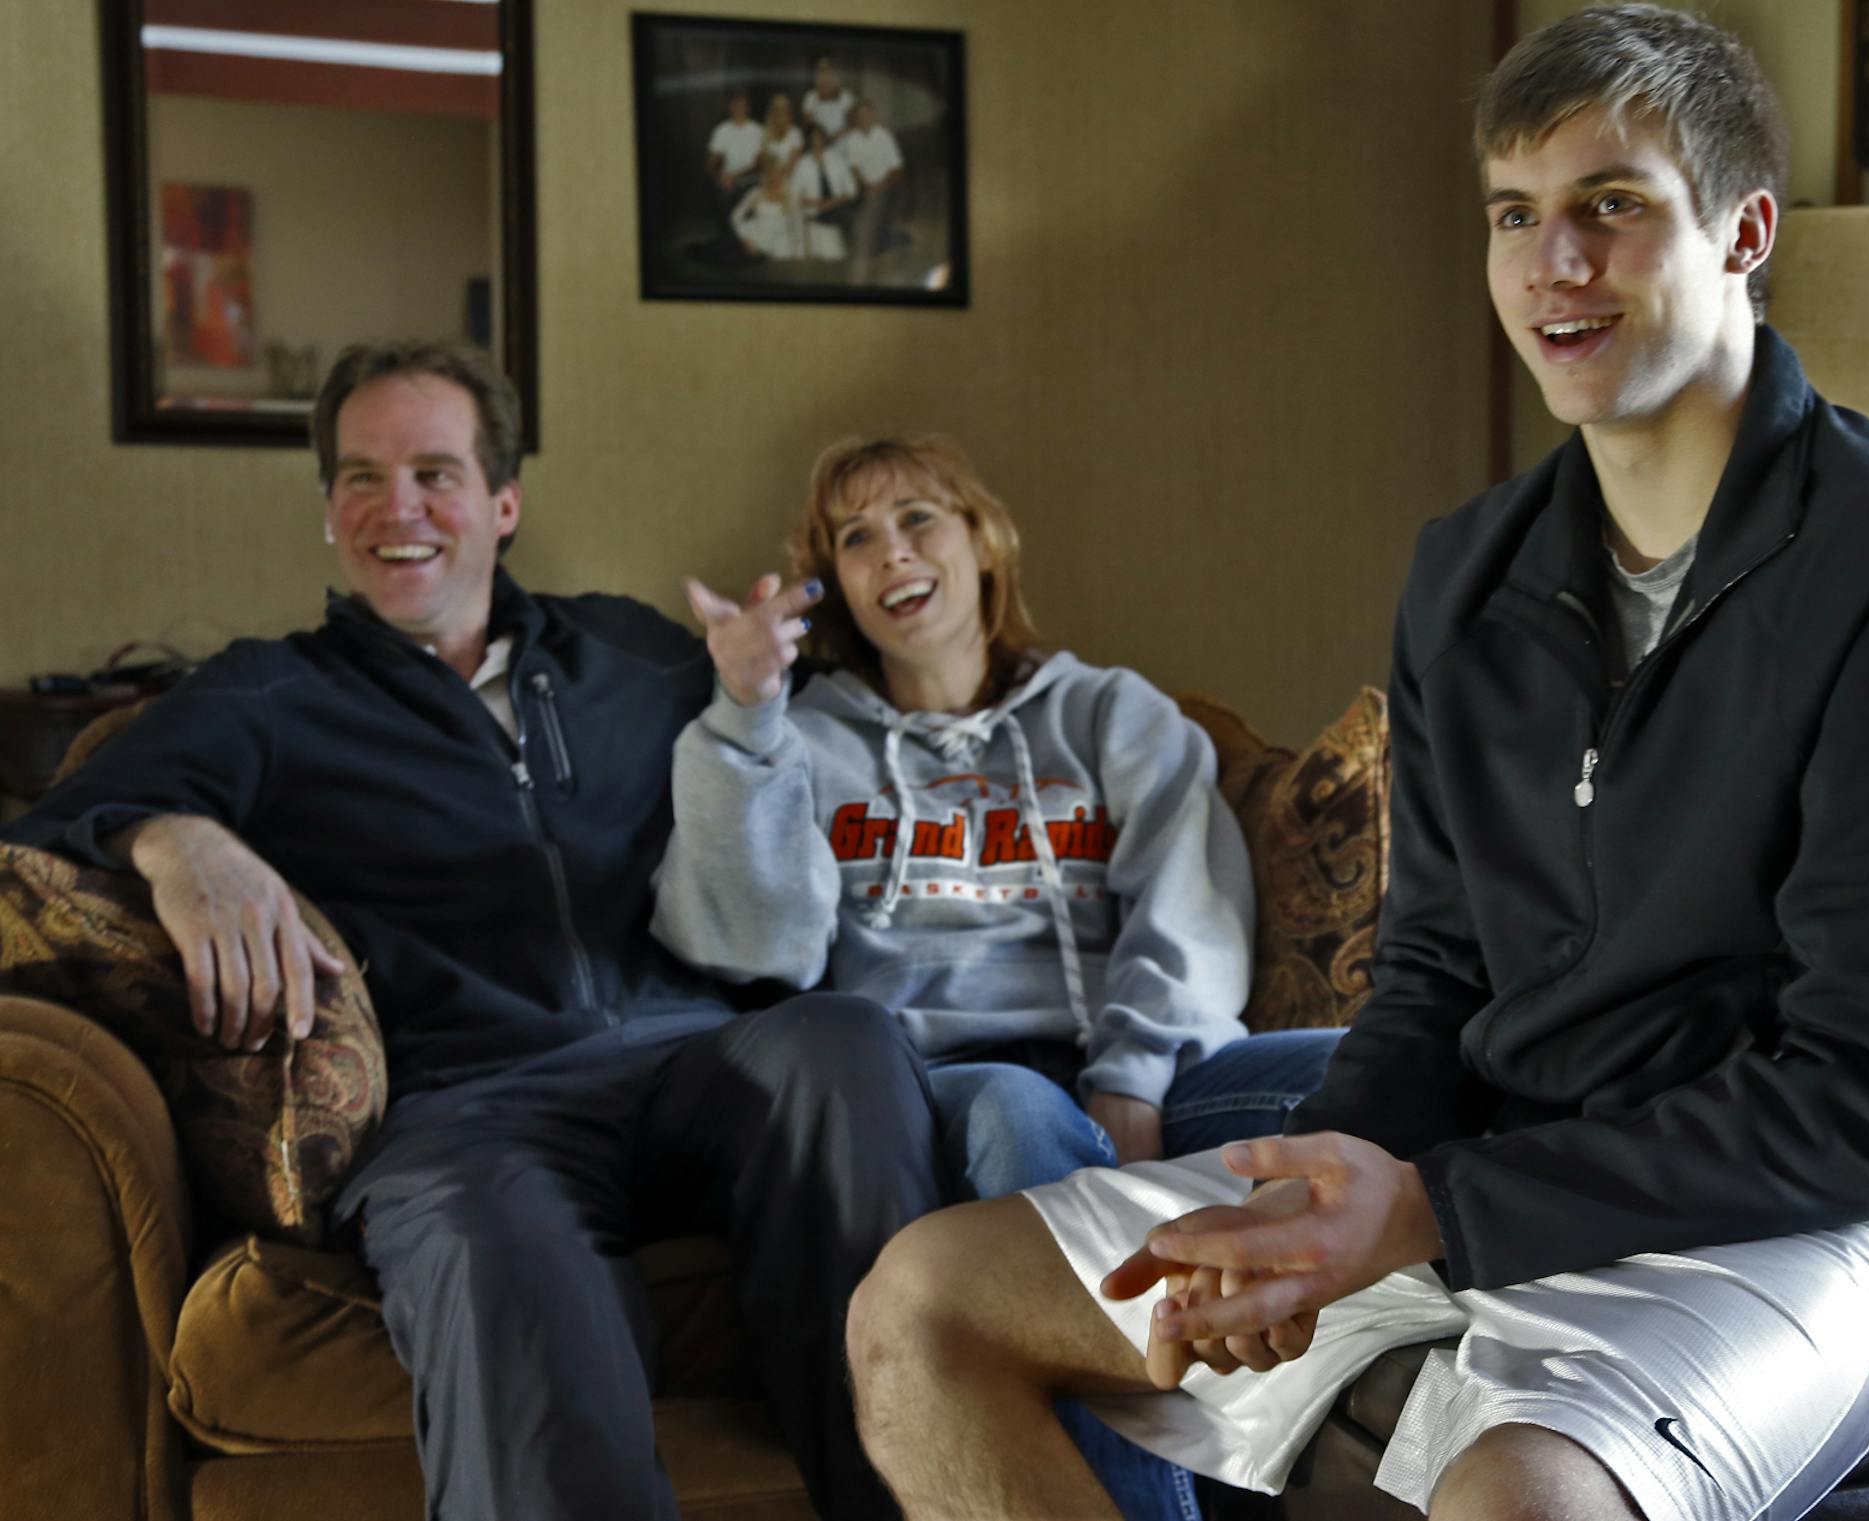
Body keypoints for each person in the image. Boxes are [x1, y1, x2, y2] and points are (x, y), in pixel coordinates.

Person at [844, 8, 1869, 1521]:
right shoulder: (1467, 570)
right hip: (1521, 1156)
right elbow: (1431, 974)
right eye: (1516, 216)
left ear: (1747, 230)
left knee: (1525, 1496)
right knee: (928, 1296)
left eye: (1611, 208)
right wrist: (1335, 1183)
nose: (1553, 264)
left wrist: (1429, 1207)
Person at [3, 340, 944, 1521]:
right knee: (491, 1248)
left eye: (436, 474)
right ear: (327, 512)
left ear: (503, 505)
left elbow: (838, 742)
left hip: (694, 1065)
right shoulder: (265, 694)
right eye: (361, 477)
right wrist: (182, 841)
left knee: (845, 1043)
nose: (398, 507)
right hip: (467, 1109)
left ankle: (911, 1494)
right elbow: (45, 835)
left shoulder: (632, 651)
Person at [650, 435, 1343, 1521]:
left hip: (1140, 1058)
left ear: (985, 541)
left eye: (920, 518)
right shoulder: (814, 739)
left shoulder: (1112, 715)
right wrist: (746, 712)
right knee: (1027, 1115)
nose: (893, 553)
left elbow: (1187, 913)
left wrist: (1134, 1079)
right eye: (856, 538)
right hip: (943, 1078)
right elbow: (753, 943)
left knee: (1355, 1070)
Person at [843, 98, 905, 276]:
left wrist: (879, 188)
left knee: (877, 212)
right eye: (860, 115)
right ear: (856, 118)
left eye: (867, 114)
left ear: (872, 115)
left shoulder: (884, 137)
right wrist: (865, 186)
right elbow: (854, 168)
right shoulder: (852, 139)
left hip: (886, 188)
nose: (864, 118)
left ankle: (886, 246)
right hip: (865, 189)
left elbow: (898, 171)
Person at [791, 121, 858, 261]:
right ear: (808, 141)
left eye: (819, 137)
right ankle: (856, 255)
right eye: (813, 138)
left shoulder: (837, 159)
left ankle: (859, 252)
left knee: (855, 212)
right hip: (817, 209)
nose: (817, 141)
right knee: (848, 217)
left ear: (824, 139)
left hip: (838, 204)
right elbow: (794, 193)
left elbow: (852, 189)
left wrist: (832, 202)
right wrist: (815, 202)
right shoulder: (803, 164)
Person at [732, 157, 803, 260]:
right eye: (772, 172)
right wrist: (745, 238)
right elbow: (735, 216)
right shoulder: (755, 193)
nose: (775, 176)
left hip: (782, 241)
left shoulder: (792, 195)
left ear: (783, 174)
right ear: (767, 174)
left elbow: (797, 221)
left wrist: (799, 248)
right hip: (757, 238)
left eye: (779, 172)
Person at [705, 88, 765, 209]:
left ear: (748, 108)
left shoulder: (758, 130)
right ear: (730, 107)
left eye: (742, 104)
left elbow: (759, 164)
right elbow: (710, 163)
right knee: (725, 194)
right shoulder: (721, 130)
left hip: (752, 179)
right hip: (729, 181)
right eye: (735, 104)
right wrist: (719, 178)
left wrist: (735, 176)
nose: (739, 108)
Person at [801, 56, 855, 141]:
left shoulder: (846, 96)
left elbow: (852, 124)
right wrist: (823, 138)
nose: (825, 77)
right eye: (821, 72)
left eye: (828, 72)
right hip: (819, 144)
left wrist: (836, 136)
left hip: (843, 142)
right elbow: (808, 125)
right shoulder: (810, 97)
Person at [761, 91, 804, 175]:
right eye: (777, 109)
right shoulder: (765, 133)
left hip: (790, 177)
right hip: (771, 179)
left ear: (788, 111)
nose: (780, 112)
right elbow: (765, 163)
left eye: (783, 109)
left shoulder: (795, 132)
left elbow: (792, 164)